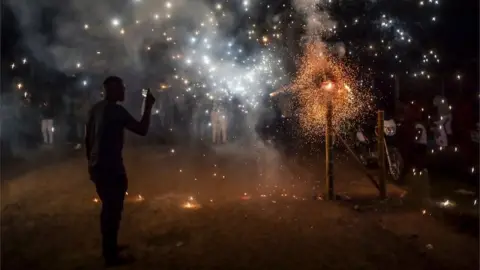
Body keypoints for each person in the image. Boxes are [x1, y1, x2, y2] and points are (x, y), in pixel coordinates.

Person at [85, 76, 155, 267]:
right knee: (112, 210)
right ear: (112, 90)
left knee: (109, 208)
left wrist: (91, 165)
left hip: (98, 167)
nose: (124, 92)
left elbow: (88, 140)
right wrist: (148, 107)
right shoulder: (115, 111)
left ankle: (110, 247)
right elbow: (142, 129)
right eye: (121, 89)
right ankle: (110, 255)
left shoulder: (95, 109)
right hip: (110, 168)